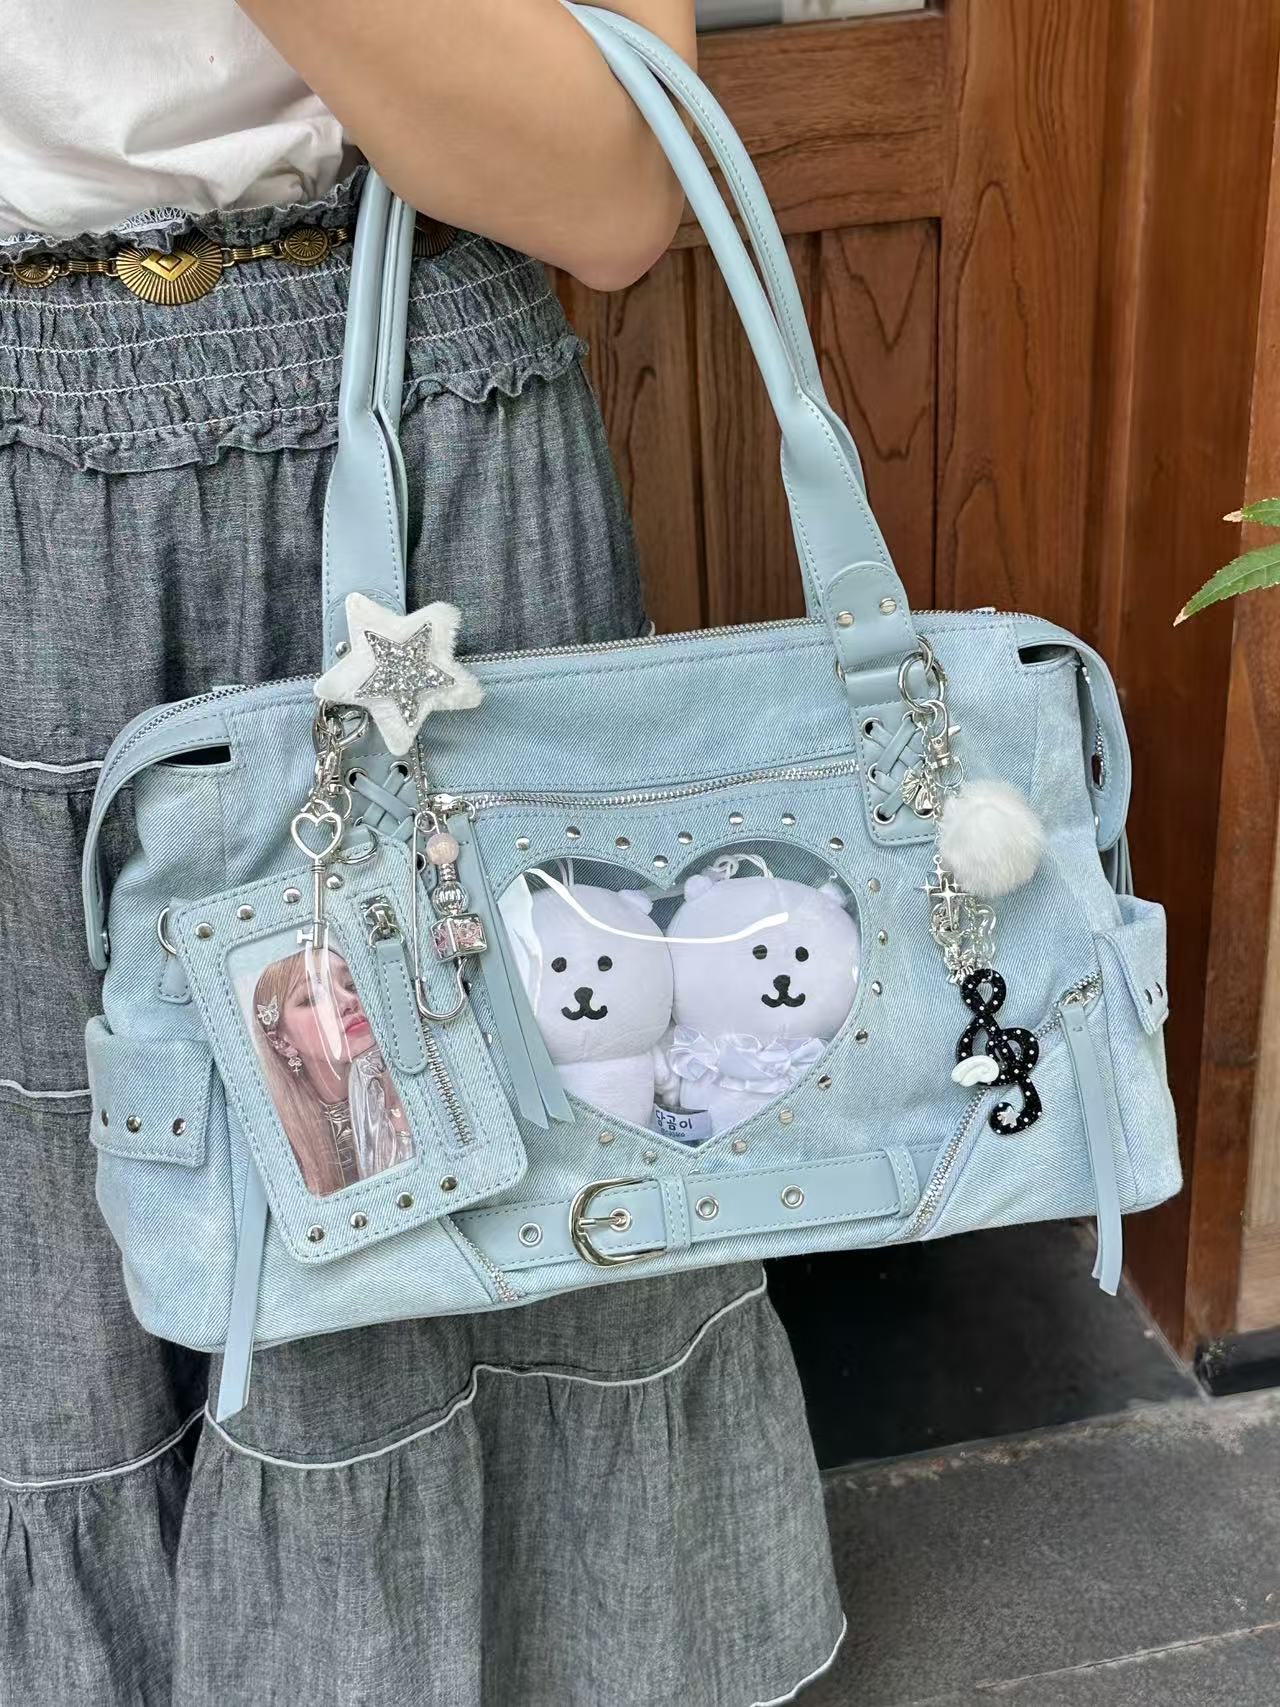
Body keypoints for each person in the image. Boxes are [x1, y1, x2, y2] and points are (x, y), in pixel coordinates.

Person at [0, 4, 845, 1702]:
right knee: (61, 1209)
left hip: (418, 423)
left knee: (485, 1135)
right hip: (35, 481)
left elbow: (614, 191)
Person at [251, 945, 414, 1196]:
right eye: (313, 998)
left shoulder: (411, 1093)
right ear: (280, 1041)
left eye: (351, 985)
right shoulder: (277, 1144)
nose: (349, 1001)